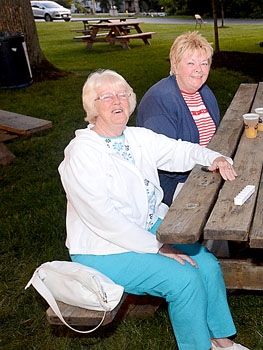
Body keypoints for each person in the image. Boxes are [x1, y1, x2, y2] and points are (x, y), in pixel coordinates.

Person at [58, 69, 249, 350]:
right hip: (103, 247)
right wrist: (158, 247)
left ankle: (222, 340)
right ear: (92, 106)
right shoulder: (81, 153)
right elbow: (104, 219)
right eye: (107, 96)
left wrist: (214, 157)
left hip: (145, 227)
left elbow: (180, 150)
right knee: (183, 279)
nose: (117, 101)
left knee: (206, 264)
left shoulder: (136, 138)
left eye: (123, 94)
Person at [137, 31, 220, 206]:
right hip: (171, 184)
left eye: (204, 63)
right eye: (191, 63)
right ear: (175, 66)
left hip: (203, 170)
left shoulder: (204, 92)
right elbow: (166, 160)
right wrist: (208, 164)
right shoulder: (160, 101)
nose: (199, 69)